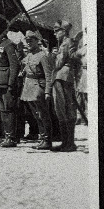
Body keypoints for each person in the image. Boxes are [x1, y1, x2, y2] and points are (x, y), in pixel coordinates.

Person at [20, 30, 54, 150]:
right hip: (29, 87)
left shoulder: (43, 56)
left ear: (37, 41)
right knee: (36, 115)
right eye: (27, 41)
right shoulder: (29, 55)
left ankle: (47, 140)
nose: (28, 43)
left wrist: (47, 91)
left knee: (43, 114)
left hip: (39, 87)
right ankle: (42, 138)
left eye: (31, 41)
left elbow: (49, 75)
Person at [51, 20, 78, 152]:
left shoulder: (65, 43)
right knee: (64, 109)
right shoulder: (66, 43)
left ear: (64, 31)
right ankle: (66, 142)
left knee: (64, 108)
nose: (55, 33)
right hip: (63, 76)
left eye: (57, 31)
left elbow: (58, 63)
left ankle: (68, 143)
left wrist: (52, 56)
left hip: (63, 76)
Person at [0, 33, 21, 148]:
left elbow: (14, 65)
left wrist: (11, 83)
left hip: (7, 82)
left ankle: (11, 137)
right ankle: (6, 135)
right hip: (0, 82)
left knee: (9, 109)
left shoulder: (8, 45)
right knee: (3, 109)